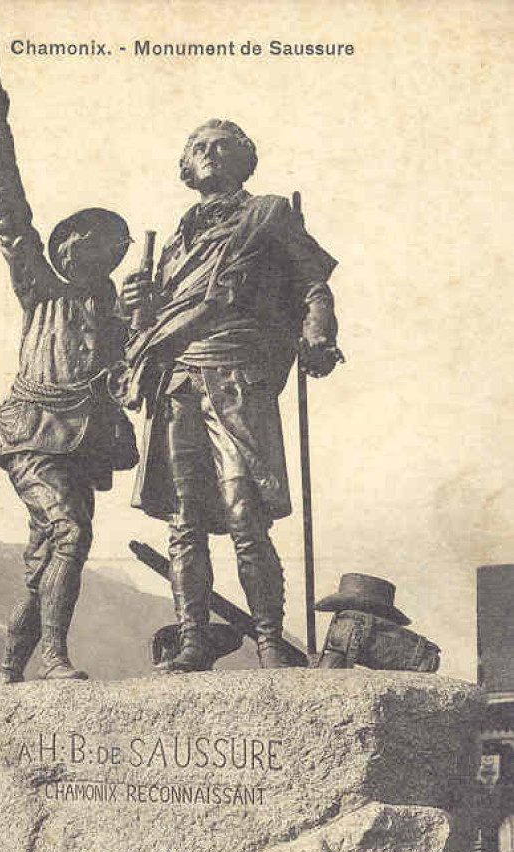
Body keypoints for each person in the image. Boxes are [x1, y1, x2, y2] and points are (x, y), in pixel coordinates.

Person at [120, 120, 343, 673]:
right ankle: (193, 639)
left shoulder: (267, 214)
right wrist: (138, 307)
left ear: (246, 160)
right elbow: (150, 327)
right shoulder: (172, 245)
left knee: (245, 514)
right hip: (177, 386)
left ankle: (269, 639)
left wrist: (320, 331)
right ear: (186, 168)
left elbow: (313, 284)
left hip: (238, 379)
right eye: (198, 147)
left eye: (224, 145)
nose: (210, 153)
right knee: (184, 519)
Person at [0, 70, 137, 682]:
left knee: (47, 549)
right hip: (32, 431)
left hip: (82, 441)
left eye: (115, 252)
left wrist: (138, 322)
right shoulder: (40, 287)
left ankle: (11, 668)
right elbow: (9, 212)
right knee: (69, 530)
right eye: (96, 245)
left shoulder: (112, 311)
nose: (104, 257)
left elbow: (126, 379)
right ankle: (52, 654)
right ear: (68, 245)